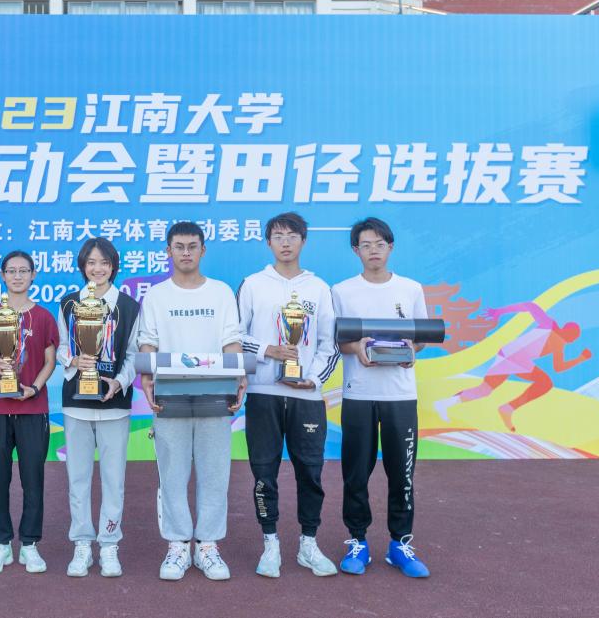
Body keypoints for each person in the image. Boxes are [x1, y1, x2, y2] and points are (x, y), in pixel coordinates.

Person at [137, 221, 245, 582]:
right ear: (168, 251)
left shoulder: (220, 292)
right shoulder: (156, 296)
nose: (186, 252)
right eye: (179, 246)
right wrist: (147, 378)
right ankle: (179, 544)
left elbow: (231, 340)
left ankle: (208, 545)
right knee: (172, 473)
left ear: (203, 250)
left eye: (192, 246)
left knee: (215, 473)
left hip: (216, 395)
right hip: (170, 396)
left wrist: (238, 377)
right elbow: (148, 342)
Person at [237, 211, 339, 579]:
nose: (285, 242)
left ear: (303, 241)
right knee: (263, 473)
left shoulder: (319, 288)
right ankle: (271, 544)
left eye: (292, 235)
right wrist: (269, 350)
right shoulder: (253, 284)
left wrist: (312, 380)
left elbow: (330, 343)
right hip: (263, 393)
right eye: (278, 236)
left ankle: (308, 544)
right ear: (268, 242)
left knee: (310, 473)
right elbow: (235, 335)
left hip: (306, 398)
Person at [332, 217, 430, 578]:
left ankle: (399, 544)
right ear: (355, 250)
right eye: (366, 245)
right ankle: (357, 540)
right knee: (356, 472)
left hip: (400, 395)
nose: (373, 250)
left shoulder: (411, 289)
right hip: (359, 394)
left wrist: (410, 348)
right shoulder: (342, 291)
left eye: (380, 244)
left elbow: (421, 337)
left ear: (391, 248)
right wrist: (356, 347)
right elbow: (338, 340)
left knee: (402, 473)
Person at [0, 251, 58, 575]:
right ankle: (2, 544)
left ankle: (30, 544)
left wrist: (33, 388)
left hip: (33, 408)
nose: (17, 276)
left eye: (23, 271)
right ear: (2, 276)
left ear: (33, 275)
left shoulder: (44, 317)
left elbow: (50, 361)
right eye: (11, 271)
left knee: (33, 479)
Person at [56, 237, 139, 578]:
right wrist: (73, 360)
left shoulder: (129, 306)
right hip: (76, 403)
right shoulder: (68, 303)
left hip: (114, 404)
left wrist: (119, 382)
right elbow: (61, 345)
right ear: (83, 266)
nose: (97, 268)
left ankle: (109, 544)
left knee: (113, 478)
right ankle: (81, 544)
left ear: (113, 266)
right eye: (91, 262)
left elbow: (133, 354)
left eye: (104, 262)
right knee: (77, 477)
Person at [434, 303, 591, 432]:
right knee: (545, 383)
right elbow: (530, 306)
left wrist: (499, 311)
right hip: (516, 358)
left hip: (508, 355)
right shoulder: (551, 329)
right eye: (573, 337)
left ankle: (445, 403)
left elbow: (531, 307)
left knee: (484, 390)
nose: (571, 341)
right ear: (569, 333)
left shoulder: (556, 338)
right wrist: (580, 359)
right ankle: (508, 408)